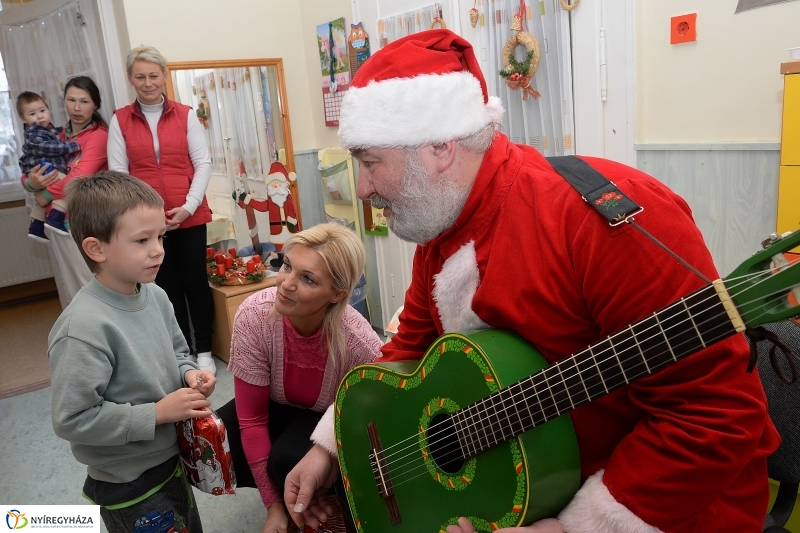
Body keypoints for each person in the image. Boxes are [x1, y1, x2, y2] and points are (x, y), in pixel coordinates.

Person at [284, 29, 780, 533]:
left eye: (370, 164)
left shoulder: (602, 221)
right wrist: (333, 446)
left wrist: (575, 527)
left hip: (663, 508)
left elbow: (716, 412)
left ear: (439, 147)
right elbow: (409, 351)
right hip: (523, 491)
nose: (363, 188)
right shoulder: (441, 226)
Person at [49, 170, 217, 533]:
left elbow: (177, 351)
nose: (158, 249)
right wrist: (155, 413)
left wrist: (189, 372)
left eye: (160, 236)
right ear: (96, 249)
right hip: (127, 484)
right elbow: (72, 419)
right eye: (142, 240)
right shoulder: (83, 329)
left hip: (171, 459)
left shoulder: (155, 296)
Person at [215, 222, 382, 533]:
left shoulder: (361, 345)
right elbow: (252, 420)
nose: (285, 284)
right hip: (278, 403)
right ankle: (284, 500)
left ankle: (321, 504)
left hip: (327, 417)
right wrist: (273, 506)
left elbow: (372, 419)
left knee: (287, 458)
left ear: (337, 294)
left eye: (307, 279)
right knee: (220, 441)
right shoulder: (254, 316)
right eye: (286, 266)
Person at [108, 45, 216, 373]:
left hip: (190, 215)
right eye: (140, 76)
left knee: (195, 283)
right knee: (164, 288)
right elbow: (118, 173)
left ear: (164, 76)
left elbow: (203, 163)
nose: (148, 82)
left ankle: (205, 352)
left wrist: (188, 206)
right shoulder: (121, 119)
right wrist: (146, 217)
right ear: (130, 79)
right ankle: (183, 356)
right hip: (146, 225)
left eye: (154, 75)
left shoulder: (185, 115)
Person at [23, 76, 109, 306]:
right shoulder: (58, 135)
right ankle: (77, 337)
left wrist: (45, 195)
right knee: (67, 285)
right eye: (71, 100)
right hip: (56, 221)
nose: (77, 107)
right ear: (64, 102)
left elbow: (79, 177)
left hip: (86, 220)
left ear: (95, 105)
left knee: (89, 284)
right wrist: (31, 184)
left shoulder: (98, 136)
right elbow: (30, 167)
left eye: (84, 101)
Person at [15, 91, 80, 241]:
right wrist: (73, 146)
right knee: (68, 187)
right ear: (23, 118)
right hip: (43, 169)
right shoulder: (33, 133)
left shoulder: (47, 129)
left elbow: (54, 135)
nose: (39, 116)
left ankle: (36, 225)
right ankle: (56, 219)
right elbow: (50, 147)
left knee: (47, 199)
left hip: (45, 169)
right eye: (32, 114)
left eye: (42, 111)